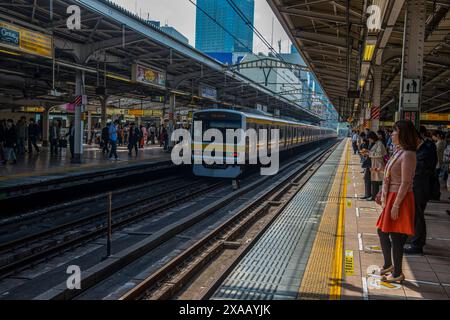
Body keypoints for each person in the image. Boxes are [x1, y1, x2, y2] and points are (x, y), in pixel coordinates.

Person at [376, 120, 418, 283]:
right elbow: (389, 175)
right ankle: (389, 265)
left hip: (400, 197)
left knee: (396, 235)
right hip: (392, 195)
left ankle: (397, 273)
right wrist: (382, 192)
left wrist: (396, 205)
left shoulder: (408, 154)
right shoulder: (398, 152)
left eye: (394, 131)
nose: (392, 134)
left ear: (402, 134)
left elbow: (406, 182)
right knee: (383, 231)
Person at [403, 127, 438, 254]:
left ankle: (417, 245)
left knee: (418, 215)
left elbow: (422, 168)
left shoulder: (427, 148)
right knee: (413, 214)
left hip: (421, 186)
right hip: (415, 185)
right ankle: (411, 237)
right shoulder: (418, 149)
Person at [368, 131, 387, 201]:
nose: (369, 140)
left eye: (369, 138)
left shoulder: (379, 143)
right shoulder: (376, 143)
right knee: (374, 180)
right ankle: (375, 196)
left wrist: (369, 154)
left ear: (372, 137)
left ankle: (378, 197)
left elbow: (379, 154)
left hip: (379, 164)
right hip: (374, 163)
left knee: (379, 180)